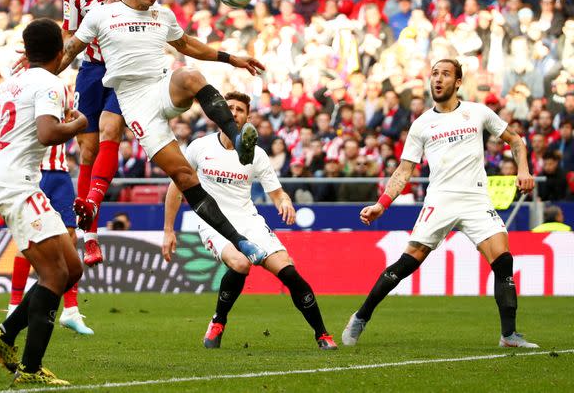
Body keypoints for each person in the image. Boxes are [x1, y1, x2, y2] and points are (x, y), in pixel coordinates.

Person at [61, 0, 267, 265]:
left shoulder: (163, 15)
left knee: (190, 75)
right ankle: (241, 242)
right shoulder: (102, 15)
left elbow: (187, 45)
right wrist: (37, 68)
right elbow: (69, 51)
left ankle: (238, 140)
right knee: (184, 176)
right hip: (135, 105)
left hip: (160, 88)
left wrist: (230, 58)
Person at [343, 58, 538, 349]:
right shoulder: (421, 125)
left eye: (445, 74)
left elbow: (516, 140)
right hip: (440, 199)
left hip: (475, 199)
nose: (438, 79)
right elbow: (403, 171)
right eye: (434, 74)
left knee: (503, 259)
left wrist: (523, 169)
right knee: (408, 262)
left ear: (458, 82)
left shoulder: (477, 112)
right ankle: (361, 316)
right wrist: (381, 204)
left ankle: (509, 335)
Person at [0, 19, 86, 386]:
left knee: (72, 269)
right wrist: (78, 125)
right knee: (55, 275)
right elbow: (49, 133)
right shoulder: (51, 84)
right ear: (60, 53)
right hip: (19, 186)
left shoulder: (11, 83)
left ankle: (3, 334)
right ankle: (30, 370)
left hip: (15, 182)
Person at [162, 91, 337, 350]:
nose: (233, 112)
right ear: (217, 112)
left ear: (248, 117)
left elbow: (277, 194)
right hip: (213, 222)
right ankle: (218, 321)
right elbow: (176, 187)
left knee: (288, 270)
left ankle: (322, 334)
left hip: (248, 219)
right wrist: (168, 229)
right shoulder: (199, 147)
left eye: (239, 109)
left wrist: (285, 202)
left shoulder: (257, 154)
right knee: (241, 262)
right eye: (228, 107)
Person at [61, 0, 134, 267]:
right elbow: (70, 41)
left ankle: (90, 203)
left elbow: (154, 14)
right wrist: (41, 65)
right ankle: (89, 235)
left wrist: (127, 2)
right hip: (91, 71)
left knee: (111, 131)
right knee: (87, 149)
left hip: (124, 70)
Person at [8, 125, 94, 336]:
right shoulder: (30, 94)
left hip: (60, 173)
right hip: (33, 171)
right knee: (28, 238)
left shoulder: (67, 94)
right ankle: (14, 306)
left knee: (70, 236)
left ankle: (71, 310)